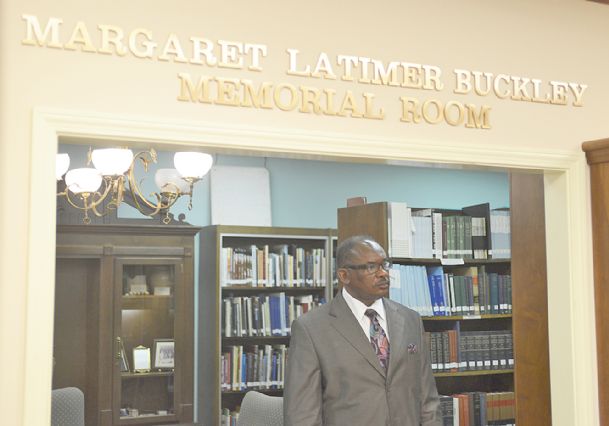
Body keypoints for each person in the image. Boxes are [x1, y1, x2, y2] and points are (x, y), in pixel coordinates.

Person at [284, 235, 441, 426]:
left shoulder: (410, 319)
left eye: (385, 265)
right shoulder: (311, 328)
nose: (383, 273)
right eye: (371, 267)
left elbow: (427, 398)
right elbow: (302, 414)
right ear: (344, 276)